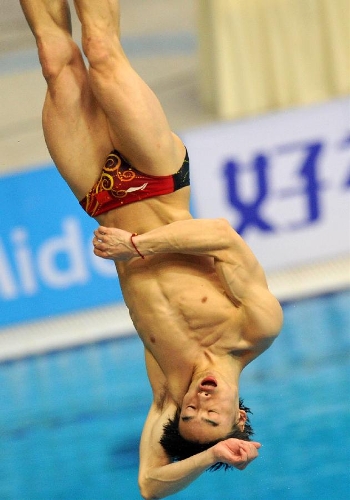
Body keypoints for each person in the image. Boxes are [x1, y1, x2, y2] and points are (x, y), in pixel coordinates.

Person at [20, 1, 283, 498]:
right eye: (214, 416)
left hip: (98, 192)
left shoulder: (168, 383)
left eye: (191, 415)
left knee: (56, 61)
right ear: (239, 413)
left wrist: (210, 453)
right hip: (158, 178)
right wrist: (137, 245)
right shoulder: (256, 329)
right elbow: (223, 236)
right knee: (101, 51)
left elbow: (149, 486)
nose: (198, 404)